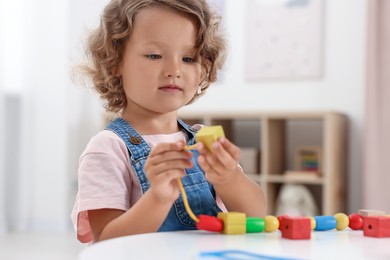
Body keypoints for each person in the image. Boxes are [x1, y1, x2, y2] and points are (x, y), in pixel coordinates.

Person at [71, 0, 266, 243]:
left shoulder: (202, 138)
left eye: (188, 58)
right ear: (115, 62)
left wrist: (229, 179)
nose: (174, 69)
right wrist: (158, 198)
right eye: (154, 55)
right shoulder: (108, 149)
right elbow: (107, 240)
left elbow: (257, 215)